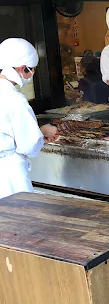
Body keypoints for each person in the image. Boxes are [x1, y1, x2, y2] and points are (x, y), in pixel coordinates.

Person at [0, 38, 58, 199]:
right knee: (20, 215)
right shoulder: (15, 99)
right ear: (22, 68)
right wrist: (41, 135)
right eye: (31, 69)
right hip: (9, 171)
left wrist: (38, 132)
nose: (31, 74)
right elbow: (28, 145)